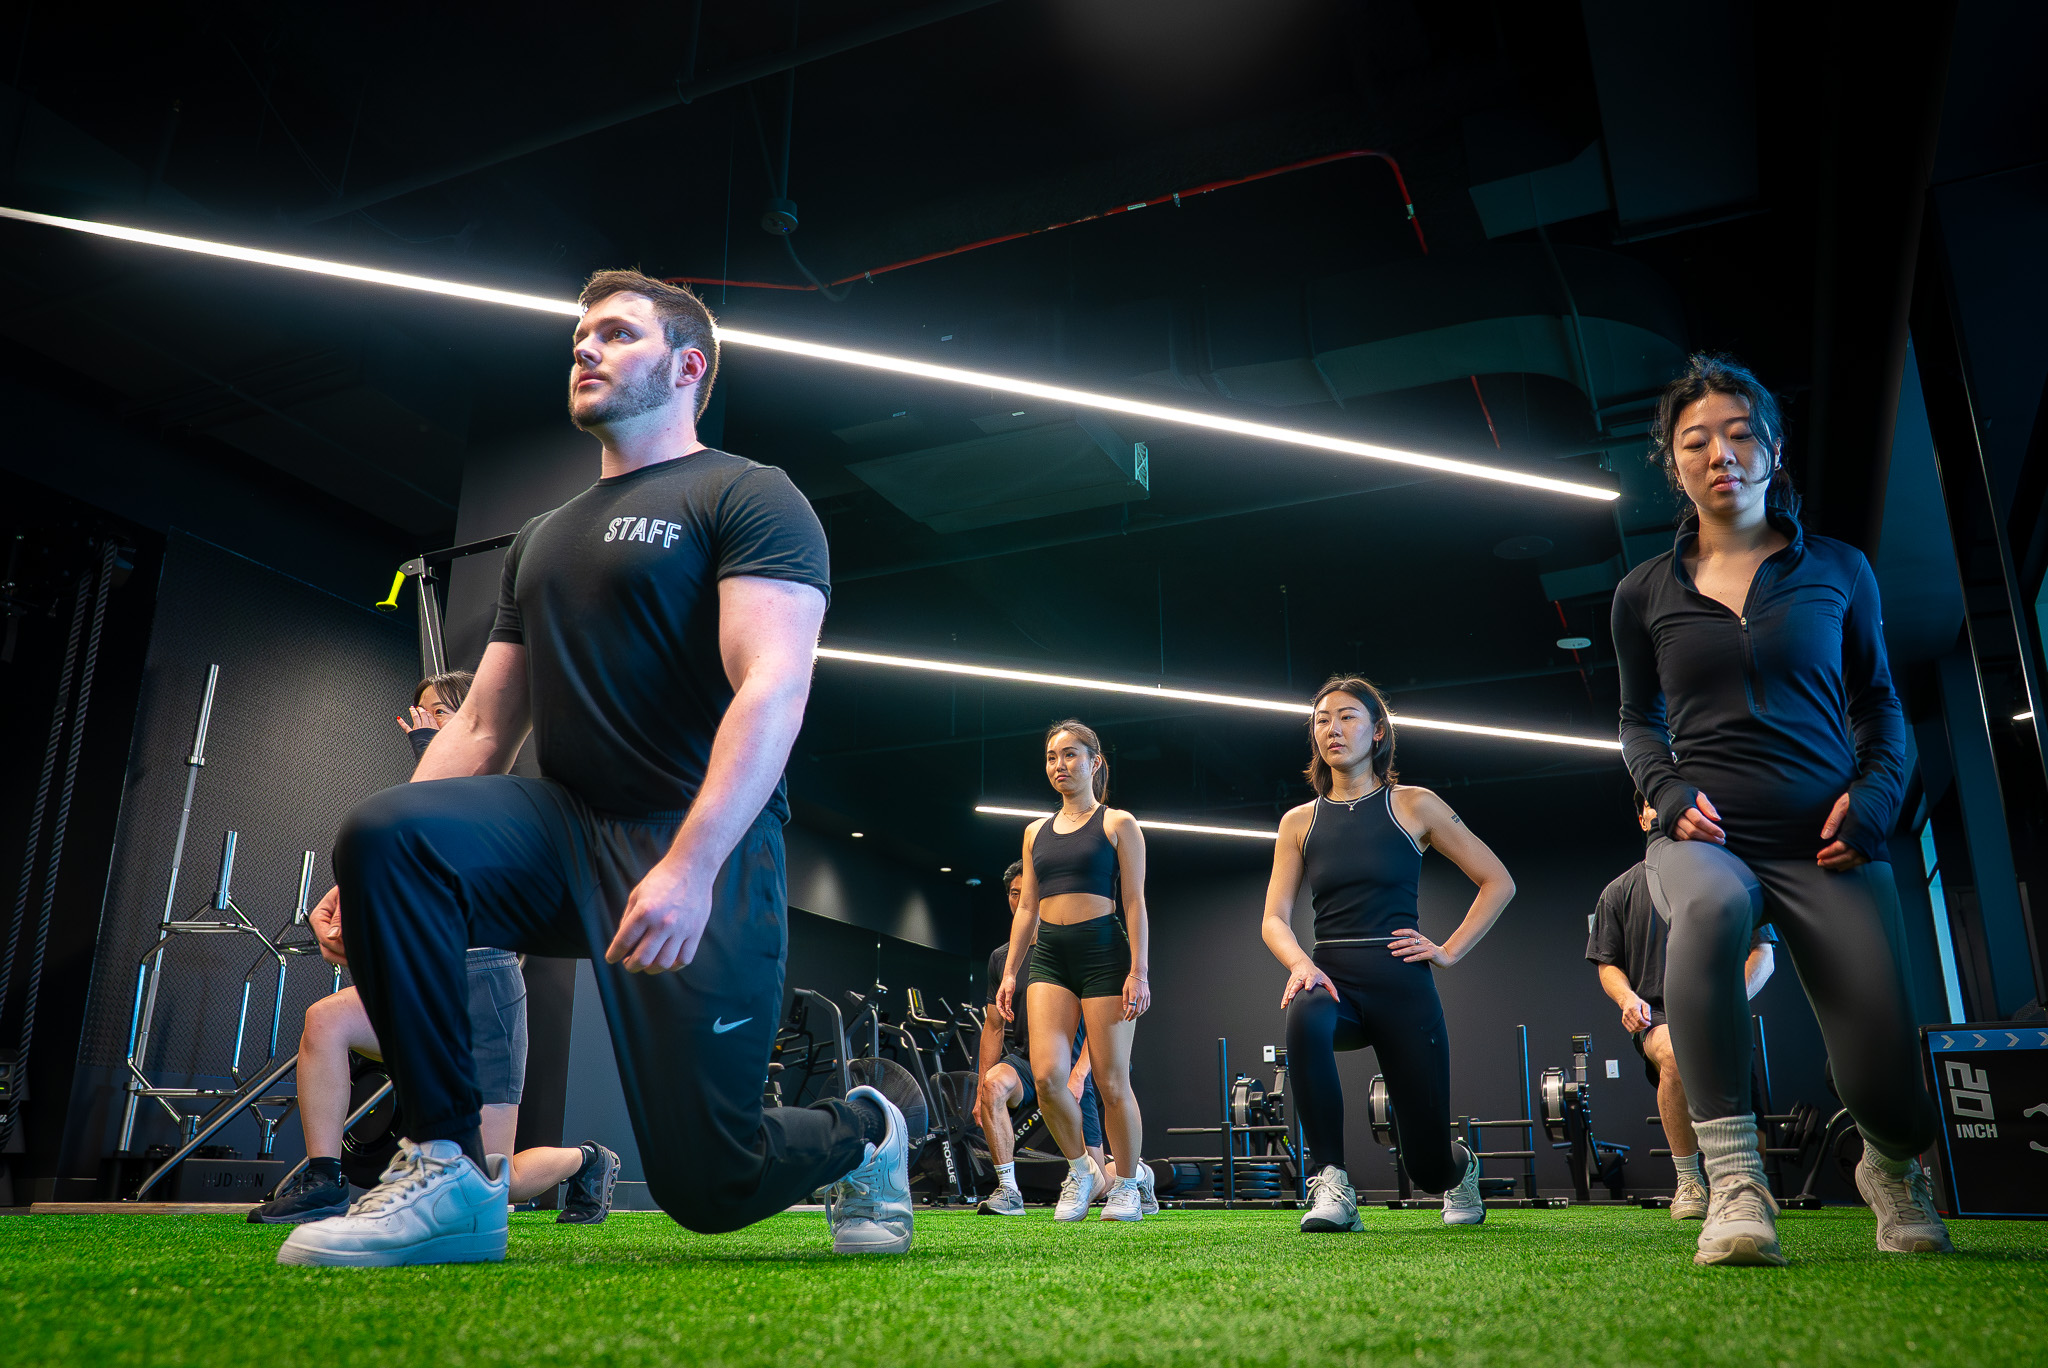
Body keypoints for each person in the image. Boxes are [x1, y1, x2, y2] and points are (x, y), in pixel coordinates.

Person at [279, 270, 912, 1268]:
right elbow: (484, 723)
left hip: (698, 843)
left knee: (713, 1182)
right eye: (580, 336)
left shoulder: (747, 495)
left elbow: (770, 689)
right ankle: (450, 1170)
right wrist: (366, 881)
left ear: (686, 366)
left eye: (616, 334)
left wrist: (693, 863)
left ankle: (865, 1133)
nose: (584, 348)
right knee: (387, 834)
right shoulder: (543, 537)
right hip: (566, 832)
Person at [1612, 352, 1951, 1266]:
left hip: (1829, 842)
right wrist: (1668, 793)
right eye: (1696, 441)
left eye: (1738, 433)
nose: (1720, 452)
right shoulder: (1644, 591)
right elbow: (1636, 722)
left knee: (1891, 1087)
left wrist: (1877, 799)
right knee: (1715, 907)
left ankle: (1890, 1164)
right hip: (1706, 837)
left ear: (1771, 449)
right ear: (1673, 463)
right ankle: (1734, 1182)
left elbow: (1881, 705)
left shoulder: (1838, 568)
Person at [251, 672, 618, 1226]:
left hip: (484, 987)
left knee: (495, 1180)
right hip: (426, 978)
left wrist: (433, 745)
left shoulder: (494, 789)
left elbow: (461, 807)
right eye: (417, 714)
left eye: (438, 714)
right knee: (326, 1022)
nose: (423, 723)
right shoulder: (417, 794)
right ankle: (325, 1178)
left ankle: (586, 1161)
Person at [1260, 677, 1515, 1234]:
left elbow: (1497, 881)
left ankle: (1460, 1168)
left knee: (1426, 1167)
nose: (1333, 728)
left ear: (1377, 732)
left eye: (1348, 717)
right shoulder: (1298, 822)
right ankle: (1332, 1182)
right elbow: (1274, 918)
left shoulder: (1413, 804)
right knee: (1303, 1011)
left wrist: (1447, 951)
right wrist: (1302, 964)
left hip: (1403, 986)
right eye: (1322, 719)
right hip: (1335, 981)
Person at [995, 720, 1157, 1222]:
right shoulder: (1034, 832)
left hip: (1104, 952)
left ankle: (1128, 1183)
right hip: (1050, 956)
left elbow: (1133, 901)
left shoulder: (1117, 824)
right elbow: (1027, 909)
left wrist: (1139, 971)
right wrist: (1010, 974)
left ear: (1094, 762)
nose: (1059, 765)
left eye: (1069, 755)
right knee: (1047, 1078)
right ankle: (1082, 1170)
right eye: (1051, 757)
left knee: (1110, 1081)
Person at [1588, 793, 1776, 1220]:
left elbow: (1762, 955)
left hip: (1722, 1016)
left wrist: (1726, 998)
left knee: (1754, 1135)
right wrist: (1627, 997)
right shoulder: (1619, 892)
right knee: (1676, 1052)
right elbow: (1607, 963)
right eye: (1654, 801)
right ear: (1643, 819)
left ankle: (1739, 1184)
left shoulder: (1731, 879)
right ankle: (1689, 1181)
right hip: (1657, 1015)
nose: (1666, 806)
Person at [974, 860, 1115, 1215]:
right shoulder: (1002, 958)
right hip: (1025, 1060)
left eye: (1027, 892)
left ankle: (1134, 1174)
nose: (1019, 899)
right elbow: (992, 1026)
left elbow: (1098, 1023)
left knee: (1097, 1185)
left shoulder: (1069, 948)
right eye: (1013, 893)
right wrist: (979, 1088)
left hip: (1069, 1064)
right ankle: (1008, 1191)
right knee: (993, 1087)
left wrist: (1080, 1075)